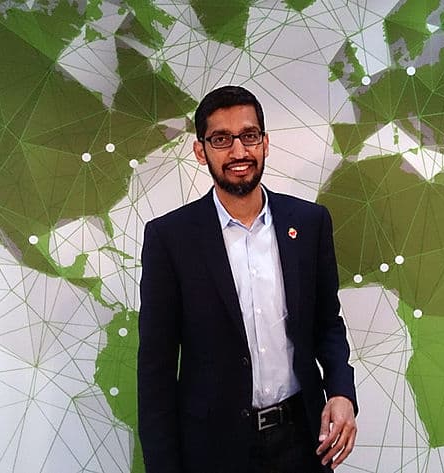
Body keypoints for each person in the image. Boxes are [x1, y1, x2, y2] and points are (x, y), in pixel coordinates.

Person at [137, 85, 357, 473]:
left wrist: (341, 392)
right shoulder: (170, 239)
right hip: (214, 450)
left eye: (249, 136)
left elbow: (328, 324)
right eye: (221, 139)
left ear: (265, 143)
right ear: (200, 150)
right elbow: (156, 369)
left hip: (302, 441)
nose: (239, 152)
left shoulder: (309, 224)